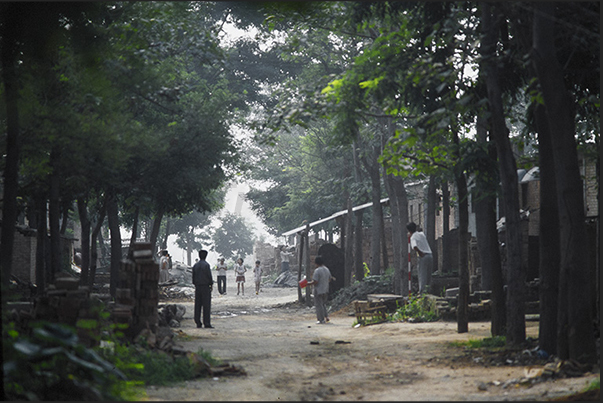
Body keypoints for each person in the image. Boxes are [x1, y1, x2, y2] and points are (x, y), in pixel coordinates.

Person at [307, 256, 335, 324]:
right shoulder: (327, 269)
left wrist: (308, 284)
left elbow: (315, 281)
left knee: (318, 305)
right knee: (323, 304)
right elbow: (329, 279)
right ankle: (326, 317)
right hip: (325, 289)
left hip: (318, 290)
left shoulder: (317, 271)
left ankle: (321, 319)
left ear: (316, 263)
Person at [407, 222, 433, 294]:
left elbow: (414, 246)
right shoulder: (421, 234)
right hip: (430, 255)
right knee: (428, 276)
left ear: (409, 231)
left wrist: (420, 252)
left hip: (423, 257)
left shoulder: (413, 237)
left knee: (422, 275)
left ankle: (422, 293)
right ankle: (428, 291)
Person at [192, 249, 214, 328]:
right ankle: (206, 323)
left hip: (198, 287)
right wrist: (211, 284)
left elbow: (193, 277)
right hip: (205, 286)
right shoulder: (206, 265)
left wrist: (195, 284)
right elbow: (209, 276)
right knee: (206, 305)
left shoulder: (195, 265)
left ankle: (198, 322)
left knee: (197, 305)